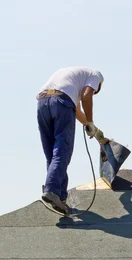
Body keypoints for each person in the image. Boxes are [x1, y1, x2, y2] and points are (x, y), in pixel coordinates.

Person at [36, 66, 106, 214]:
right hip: (62, 103)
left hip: (43, 103)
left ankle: (60, 197)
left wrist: (90, 126)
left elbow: (77, 110)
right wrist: (91, 121)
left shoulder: (70, 78)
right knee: (62, 151)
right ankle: (52, 190)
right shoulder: (96, 75)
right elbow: (87, 96)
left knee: (52, 154)